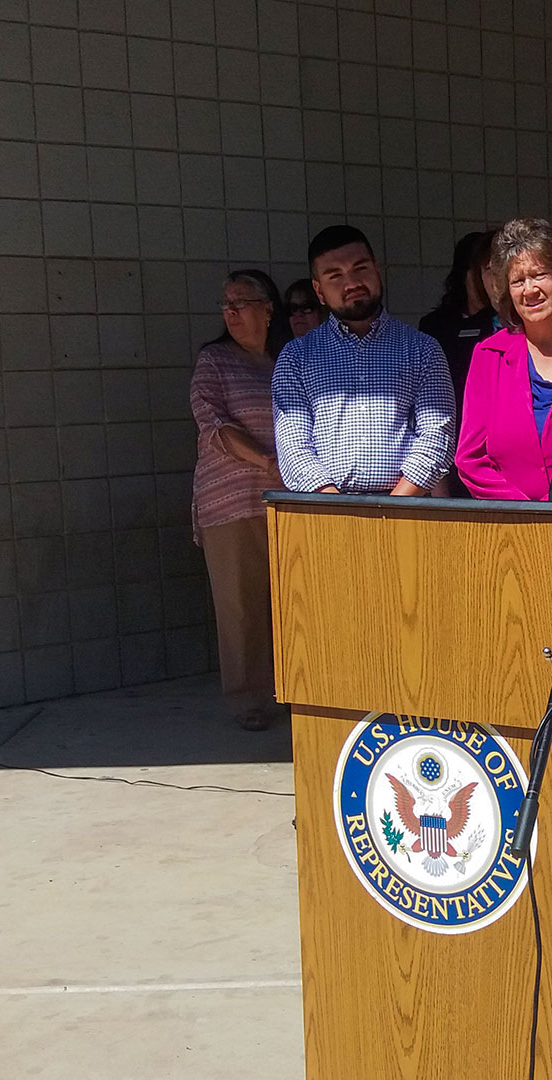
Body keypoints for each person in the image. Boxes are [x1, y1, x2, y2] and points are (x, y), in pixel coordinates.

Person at [272, 226, 455, 496]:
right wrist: (337, 509)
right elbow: (293, 445)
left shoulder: (422, 348)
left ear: (377, 270)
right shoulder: (296, 357)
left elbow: (437, 434)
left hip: (405, 510)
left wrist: (393, 506)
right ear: (318, 291)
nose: (352, 284)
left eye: (360, 269)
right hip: (324, 512)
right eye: (335, 276)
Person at [191, 270, 293, 731]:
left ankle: (293, 691)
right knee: (240, 604)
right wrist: (267, 461)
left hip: (287, 501)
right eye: (226, 304)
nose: (230, 311)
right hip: (230, 501)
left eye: (241, 302)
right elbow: (213, 425)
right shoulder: (214, 360)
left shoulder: (289, 359)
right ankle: (248, 698)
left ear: (268, 309)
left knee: (288, 600)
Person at [456, 219, 552, 501]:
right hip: (513, 533)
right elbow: (470, 459)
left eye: (540, 275)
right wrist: (529, 514)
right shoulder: (488, 355)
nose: (529, 290)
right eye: (518, 281)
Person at [418, 229, 499, 403]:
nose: (492, 282)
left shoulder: (508, 322)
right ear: (465, 274)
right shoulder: (435, 325)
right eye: (486, 270)